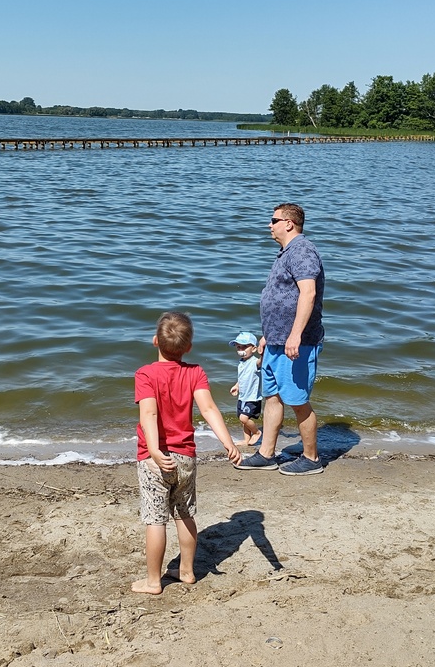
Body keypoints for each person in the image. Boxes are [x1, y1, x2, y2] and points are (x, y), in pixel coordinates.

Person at [132, 311, 241, 595]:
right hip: (186, 458)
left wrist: (155, 450)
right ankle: (187, 571)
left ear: (155, 341)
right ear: (188, 347)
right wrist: (228, 443)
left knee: (156, 519)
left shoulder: (145, 374)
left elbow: (149, 412)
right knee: (184, 513)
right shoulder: (196, 373)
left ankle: (154, 581)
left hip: (154, 459)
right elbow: (208, 409)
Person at [235, 203, 325, 476]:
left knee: (297, 400)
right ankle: (267, 453)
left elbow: (307, 294)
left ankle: (311, 458)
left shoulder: (302, 250)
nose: (269, 225)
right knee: (272, 396)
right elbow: (282, 299)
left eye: (273, 220)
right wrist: (267, 337)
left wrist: (295, 335)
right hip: (276, 341)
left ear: (289, 223)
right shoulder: (286, 253)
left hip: (297, 342)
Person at [228, 330, 263, 446]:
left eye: (244, 347)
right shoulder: (241, 362)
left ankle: (257, 432)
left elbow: (261, 362)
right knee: (242, 421)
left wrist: (263, 352)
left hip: (252, 398)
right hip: (242, 397)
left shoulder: (254, 362)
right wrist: (237, 386)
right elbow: (242, 377)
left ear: (253, 349)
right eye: (238, 347)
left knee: (244, 418)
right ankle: (246, 440)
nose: (241, 350)